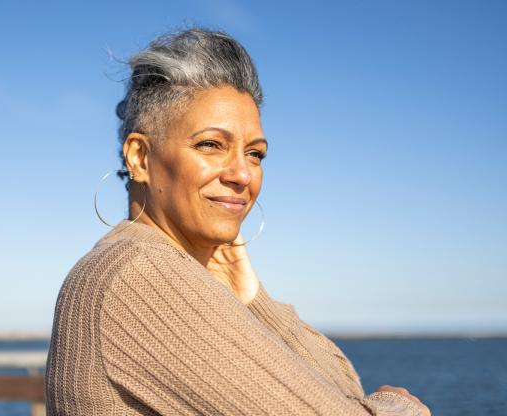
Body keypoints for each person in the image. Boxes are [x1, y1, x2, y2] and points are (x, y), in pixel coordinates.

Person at [45, 27, 431, 416]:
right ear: (140, 158)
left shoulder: (148, 268)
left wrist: (252, 301)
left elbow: (347, 389)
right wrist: (402, 405)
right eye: (211, 145)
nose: (243, 175)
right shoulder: (138, 275)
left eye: (255, 154)